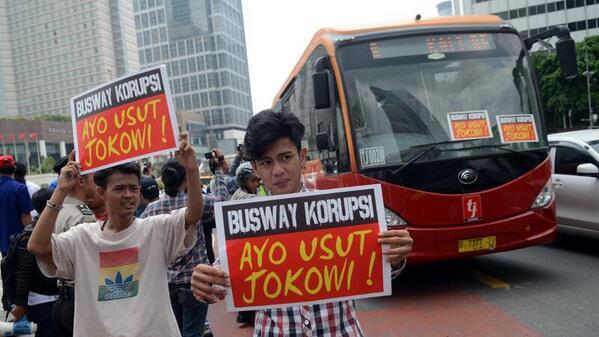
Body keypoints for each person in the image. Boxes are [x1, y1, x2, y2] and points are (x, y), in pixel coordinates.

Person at [191, 110, 414, 336]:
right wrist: (204, 282)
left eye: (285, 157)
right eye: (266, 162)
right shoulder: (245, 224)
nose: (277, 170)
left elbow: (375, 266)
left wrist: (395, 256)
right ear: (256, 169)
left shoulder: (339, 212)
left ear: (303, 156)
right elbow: (221, 279)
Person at [28, 134, 204, 337]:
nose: (128, 195)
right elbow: (37, 247)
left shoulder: (156, 229)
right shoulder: (82, 238)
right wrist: (61, 189)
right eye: (119, 189)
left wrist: (191, 169)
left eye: (133, 188)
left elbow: (193, 214)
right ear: (101, 192)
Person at [140, 158, 227, 337]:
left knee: (176, 331)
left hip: (167, 283)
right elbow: (223, 202)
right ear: (186, 180)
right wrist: (218, 170)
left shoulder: (151, 209)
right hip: (196, 281)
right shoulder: (196, 203)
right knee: (193, 332)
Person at [46, 155, 97, 337]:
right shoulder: (83, 216)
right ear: (81, 181)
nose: (97, 184)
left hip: (61, 298)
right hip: (80, 300)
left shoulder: (54, 212)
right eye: (93, 179)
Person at [11, 188, 58, 337]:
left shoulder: (55, 228)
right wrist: (21, 303)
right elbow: (24, 271)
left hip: (55, 296)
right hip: (41, 299)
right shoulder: (30, 235)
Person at [0, 155, 32, 256]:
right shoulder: (20, 188)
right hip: (19, 241)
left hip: (2, 240)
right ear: (14, 169)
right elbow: (25, 216)